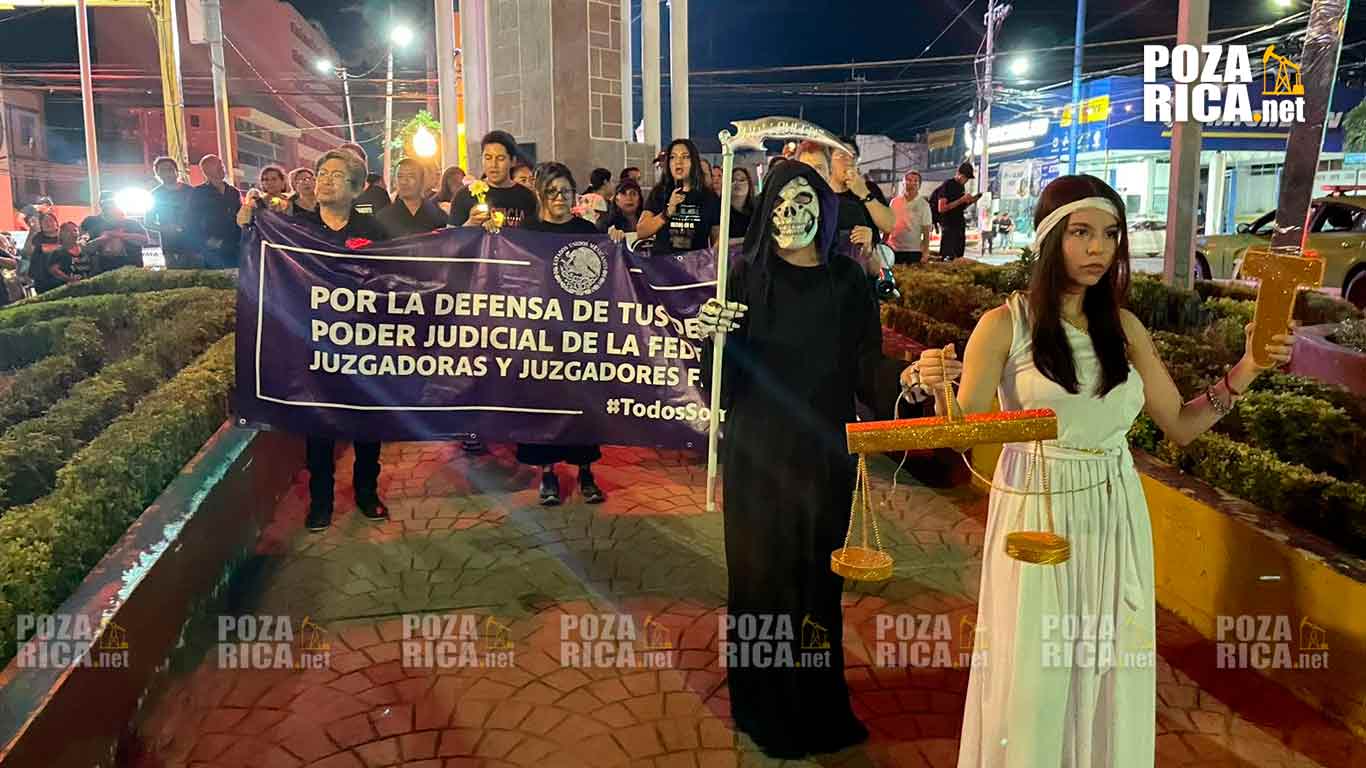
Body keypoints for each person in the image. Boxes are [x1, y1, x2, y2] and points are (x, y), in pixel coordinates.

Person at [915, 175, 1296, 768]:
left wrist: (1246, 367)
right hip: (1036, 514)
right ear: (1048, 240)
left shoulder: (1125, 329)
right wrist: (934, 385)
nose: (1098, 249)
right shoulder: (1004, 324)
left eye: (1110, 234)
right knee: (1035, 672)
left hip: (1114, 510)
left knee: (1109, 663)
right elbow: (966, 426)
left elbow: (1181, 423)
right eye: (1081, 233)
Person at [697, 159, 914, 760]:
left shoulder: (847, 282)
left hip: (824, 457)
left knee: (817, 586)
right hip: (757, 453)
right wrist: (711, 340)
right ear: (767, 211)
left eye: (806, 198)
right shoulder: (744, 276)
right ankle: (761, 701)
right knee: (762, 583)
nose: (792, 211)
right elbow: (720, 383)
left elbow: (868, 370)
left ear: (824, 209)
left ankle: (816, 699)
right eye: (781, 200)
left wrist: (910, 379)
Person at [299, 148, 391, 532]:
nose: (325, 179)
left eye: (336, 174)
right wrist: (246, 223)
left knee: (367, 423)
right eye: (322, 173)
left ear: (355, 189)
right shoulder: (297, 229)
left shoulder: (374, 232)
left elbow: (398, 277)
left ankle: (367, 491)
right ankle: (322, 500)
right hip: (316, 343)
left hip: (365, 342)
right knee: (318, 426)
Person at [517, 163, 607, 506]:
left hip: (580, 333)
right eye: (552, 191)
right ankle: (548, 475)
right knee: (543, 404)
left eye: (565, 192)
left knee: (581, 404)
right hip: (541, 334)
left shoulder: (588, 230)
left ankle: (586, 472)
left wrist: (613, 240)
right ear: (541, 194)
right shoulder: (527, 232)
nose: (559, 198)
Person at [637, 138, 721, 255]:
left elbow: (716, 241)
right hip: (662, 266)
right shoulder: (660, 192)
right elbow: (641, 232)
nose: (678, 161)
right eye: (673, 157)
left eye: (685, 156)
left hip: (695, 267)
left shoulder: (710, 197)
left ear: (694, 162)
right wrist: (666, 213)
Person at [447, 130, 539, 230]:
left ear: (513, 161)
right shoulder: (465, 195)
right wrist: (470, 224)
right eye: (488, 158)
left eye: (500, 158)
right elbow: (450, 239)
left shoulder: (527, 197)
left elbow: (534, 238)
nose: (493, 165)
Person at [190, 154, 242, 269]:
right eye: (218, 166)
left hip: (235, 244)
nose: (222, 168)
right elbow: (191, 221)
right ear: (206, 171)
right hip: (212, 248)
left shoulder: (233, 192)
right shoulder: (198, 193)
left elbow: (241, 217)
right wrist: (206, 240)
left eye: (221, 165)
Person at [377, 158, 447, 239]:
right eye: (400, 176)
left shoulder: (438, 215)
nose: (404, 181)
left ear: (422, 180)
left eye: (411, 176)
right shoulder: (383, 217)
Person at [80, 192, 149, 272]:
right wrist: (100, 240)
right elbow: (82, 245)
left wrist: (116, 234)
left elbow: (145, 240)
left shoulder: (131, 223)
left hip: (131, 268)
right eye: (105, 203)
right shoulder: (91, 222)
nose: (108, 206)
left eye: (111, 203)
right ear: (100, 204)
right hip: (102, 270)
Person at [147, 156, 195, 268]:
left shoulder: (191, 192)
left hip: (193, 242)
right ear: (157, 174)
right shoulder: (155, 195)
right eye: (162, 170)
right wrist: (165, 228)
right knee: (175, 277)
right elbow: (148, 222)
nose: (167, 173)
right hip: (170, 245)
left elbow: (201, 216)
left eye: (169, 169)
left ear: (176, 171)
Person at [935, 162, 981, 261]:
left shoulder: (961, 187)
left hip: (959, 225)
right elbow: (941, 208)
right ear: (959, 174)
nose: (966, 180)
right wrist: (961, 200)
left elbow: (959, 207)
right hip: (949, 227)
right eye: (965, 177)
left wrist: (970, 201)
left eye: (967, 178)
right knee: (948, 257)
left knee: (959, 256)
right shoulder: (947, 185)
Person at [888, 170, 932, 264]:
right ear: (903, 183)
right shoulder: (894, 202)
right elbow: (888, 225)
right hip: (893, 249)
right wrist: (883, 244)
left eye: (915, 181)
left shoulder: (924, 205)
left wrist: (925, 252)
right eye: (908, 180)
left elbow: (926, 230)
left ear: (919, 185)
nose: (911, 183)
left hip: (914, 251)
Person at [33, 222, 83, 294]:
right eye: (68, 231)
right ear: (62, 235)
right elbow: (54, 270)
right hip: (61, 287)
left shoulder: (83, 248)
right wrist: (69, 279)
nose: (73, 233)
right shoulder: (59, 252)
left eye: (75, 230)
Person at [726, 167, 756, 239]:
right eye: (732, 180)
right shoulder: (720, 209)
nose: (737, 183)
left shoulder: (757, 209)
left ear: (749, 184)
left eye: (742, 180)